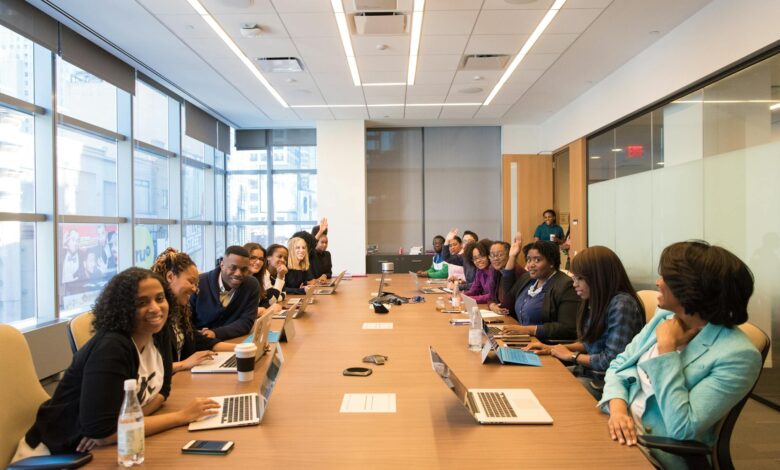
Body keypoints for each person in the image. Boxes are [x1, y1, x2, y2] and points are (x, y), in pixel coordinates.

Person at [14, 268, 219, 459]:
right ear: (123, 308)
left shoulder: (157, 331)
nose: (155, 309)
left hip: (103, 448)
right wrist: (182, 416)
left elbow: (163, 390)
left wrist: (123, 426)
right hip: (56, 454)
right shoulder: (112, 348)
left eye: (160, 298)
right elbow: (104, 432)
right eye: (141, 303)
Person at [598, 241, 761, 469]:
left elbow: (682, 427)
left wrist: (667, 350)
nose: (658, 282)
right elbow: (618, 366)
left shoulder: (739, 356)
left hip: (651, 451)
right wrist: (617, 411)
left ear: (689, 289)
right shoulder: (665, 316)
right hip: (616, 426)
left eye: (665, 277)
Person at [525, 246, 644, 398]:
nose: (575, 284)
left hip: (607, 384)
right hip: (588, 373)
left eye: (580, 278)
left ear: (599, 277)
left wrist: (571, 356)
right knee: (537, 379)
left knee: (547, 390)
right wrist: (551, 348)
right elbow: (591, 344)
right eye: (574, 278)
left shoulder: (622, 304)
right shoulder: (596, 300)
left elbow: (612, 360)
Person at [151, 249, 236, 373]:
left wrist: (242, 348)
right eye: (191, 282)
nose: (195, 289)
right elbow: (148, 370)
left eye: (196, 284)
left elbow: (199, 340)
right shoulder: (154, 319)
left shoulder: (179, 312)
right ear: (170, 277)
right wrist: (183, 364)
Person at [499, 240, 579, 341]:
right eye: (528, 260)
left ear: (551, 262)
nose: (531, 265)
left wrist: (529, 330)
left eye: (537, 260)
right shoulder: (527, 279)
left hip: (546, 346)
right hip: (523, 340)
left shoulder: (566, 286)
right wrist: (512, 257)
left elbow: (568, 328)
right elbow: (508, 294)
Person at [190, 245, 260, 340]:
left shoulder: (251, 285)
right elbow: (186, 322)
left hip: (234, 341)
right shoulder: (199, 283)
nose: (238, 273)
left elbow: (246, 322)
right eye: (233, 268)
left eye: (244, 269)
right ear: (222, 265)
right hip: (201, 343)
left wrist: (215, 333)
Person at [243, 242, 284, 317]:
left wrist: (263, 310)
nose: (258, 262)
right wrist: (265, 311)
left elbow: (265, 302)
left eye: (261, 259)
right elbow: (240, 311)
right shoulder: (236, 280)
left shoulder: (256, 279)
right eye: (253, 258)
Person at [463, 239, 500, 304]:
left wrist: (467, 299)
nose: (478, 261)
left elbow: (493, 296)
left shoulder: (496, 270)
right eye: (475, 258)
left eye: (482, 257)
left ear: (489, 255)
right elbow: (474, 290)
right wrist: (461, 295)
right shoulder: (480, 270)